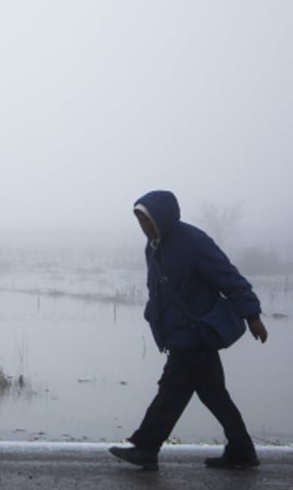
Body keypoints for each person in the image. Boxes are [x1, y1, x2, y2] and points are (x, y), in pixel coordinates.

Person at [109, 189, 268, 471]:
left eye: (146, 220)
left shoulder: (193, 242)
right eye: (139, 221)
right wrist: (154, 318)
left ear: (162, 218)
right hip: (180, 332)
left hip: (196, 333)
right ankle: (242, 451)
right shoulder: (155, 246)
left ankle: (146, 447)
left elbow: (229, 277)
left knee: (170, 391)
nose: (142, 227)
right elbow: (159, 291)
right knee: (214, 394)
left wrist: (252, 315)